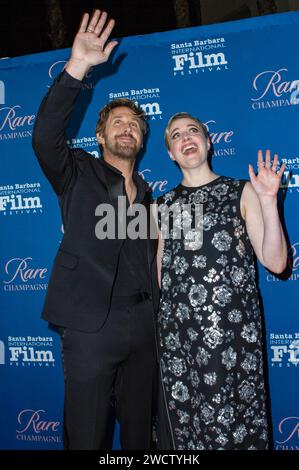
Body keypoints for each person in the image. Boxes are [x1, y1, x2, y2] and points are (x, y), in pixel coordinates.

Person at [32, 10, 160, 450]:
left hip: (144, 326)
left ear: (142, 140)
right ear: (101, 138)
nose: (128, 128)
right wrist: (78, 68)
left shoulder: (147, 196)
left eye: (135, 124)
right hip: (89, 328)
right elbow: (46, 136)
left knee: (140, 437)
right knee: (86, 437)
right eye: (117, 123)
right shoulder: (77, 172)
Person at [156, 112, 287, 450]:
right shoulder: (160, 207)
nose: (186, 138)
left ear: (208, 141)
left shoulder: (240, 192)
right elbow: (159, 280)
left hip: (233, 344)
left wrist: (269, 201)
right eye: (176, 135)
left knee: (234, 432)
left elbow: (276, 262)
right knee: (188, 436)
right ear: (170, 153)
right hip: (179, 345)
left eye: (193, 130)